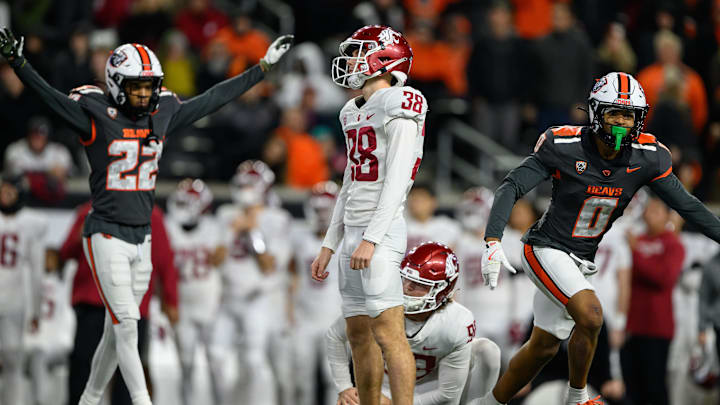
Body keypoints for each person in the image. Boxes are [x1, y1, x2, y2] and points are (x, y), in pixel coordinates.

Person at [0, 27, 293, 405]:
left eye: (148, 86)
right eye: (136, 86)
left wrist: (261, 69)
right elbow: (51, 101)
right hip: (105, 232)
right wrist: (20, 64)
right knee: (127, 324)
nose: (143, 94)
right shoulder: (96, 114)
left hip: (143, 237)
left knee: (115, 330)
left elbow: (213, 99)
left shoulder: (163, 111)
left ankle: (88, 401)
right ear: (115, 83)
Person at [478, 71, 720, 405]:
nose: (622, 123)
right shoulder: (564, 145)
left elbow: (689, 207)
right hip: (545, 247)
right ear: (595, 113)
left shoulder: (647, 157)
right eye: (614, 113)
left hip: (580, 259)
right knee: (591, 315)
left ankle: (486, 403)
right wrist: (492, 240)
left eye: (629, 115)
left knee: (542, 348)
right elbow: (512, 185)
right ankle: (578, 398)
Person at [311, 25, 427, 405]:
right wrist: (330, 243)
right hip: (355, 232)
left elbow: (397, 178)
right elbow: (349, 181)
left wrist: (372, 237)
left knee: (388, 332)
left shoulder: (401, 100)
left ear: (384, 59)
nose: (352, 61)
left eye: (360, 52)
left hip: (381, 230)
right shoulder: (351, 110)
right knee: (358, 333)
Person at [326, 242, 501, 405]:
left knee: (487, 350)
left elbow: (448, 396)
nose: (406, 288)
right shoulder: (379, 304)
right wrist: (344, 387)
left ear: (442, 290)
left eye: (419, 284)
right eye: (405, 279)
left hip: (429, 392)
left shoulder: (456, 323)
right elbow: (334, 336)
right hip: (381, 388)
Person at [60, 202, 179, 405]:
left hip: (132, 304)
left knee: (126, 373)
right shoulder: (90, 211)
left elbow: (163, 259)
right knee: (83, 365)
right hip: (94, 303)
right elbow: (65, 253)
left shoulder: (152, 214)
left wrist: (171, 298)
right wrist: (79, 236)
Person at [213, 160, 294, 405]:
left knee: (257, 361)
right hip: (228, 298)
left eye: (251, 183)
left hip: (261, 298)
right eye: (243, 183)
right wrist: (231, 232)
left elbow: (269, 266)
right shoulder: (225, 213)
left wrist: (252, 232)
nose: (246, 188)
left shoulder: (278, 218)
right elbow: (216, 260)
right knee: (216, 356)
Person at [164, 178, 224, 405]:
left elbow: (221, 257)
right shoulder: (168, 226)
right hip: (183, 306)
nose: (183, 206)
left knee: (216, 364)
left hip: (210, 304)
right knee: (186, 364)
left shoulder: (213, 227)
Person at [622, 196, 685, 405]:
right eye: (648, 210)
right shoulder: (636, 240)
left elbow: (664, 278)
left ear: (667, 216)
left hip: (657, 328)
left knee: (654, 387)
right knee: (631, 388)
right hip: (631, 326)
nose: (649, 214)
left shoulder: (673, 244)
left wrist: (636, 253)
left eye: (656, 211)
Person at [289, 181, 343, 405]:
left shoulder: (348, 240)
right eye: (318, 208)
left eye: (326, 208)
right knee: (302, 380)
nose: (321, 214)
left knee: (335, 381)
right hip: (305, 317)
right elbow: (290, 275)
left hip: (336, 318)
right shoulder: (298, 236)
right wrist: (288, 310)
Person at [0, 175, 47, 405]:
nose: (5, 196)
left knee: (13, 364)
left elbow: (38, 272)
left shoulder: (31, 222)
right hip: (13, 301)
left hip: (14, 302)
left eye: (10, 191)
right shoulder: (32, 222)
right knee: (12, 366)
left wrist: (36, 310)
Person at [406, 184, 461, 252]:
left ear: (433, 202)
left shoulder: (448, 226)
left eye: (420, 200)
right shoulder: (401, 226)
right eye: (413, 199)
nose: (415, 204)